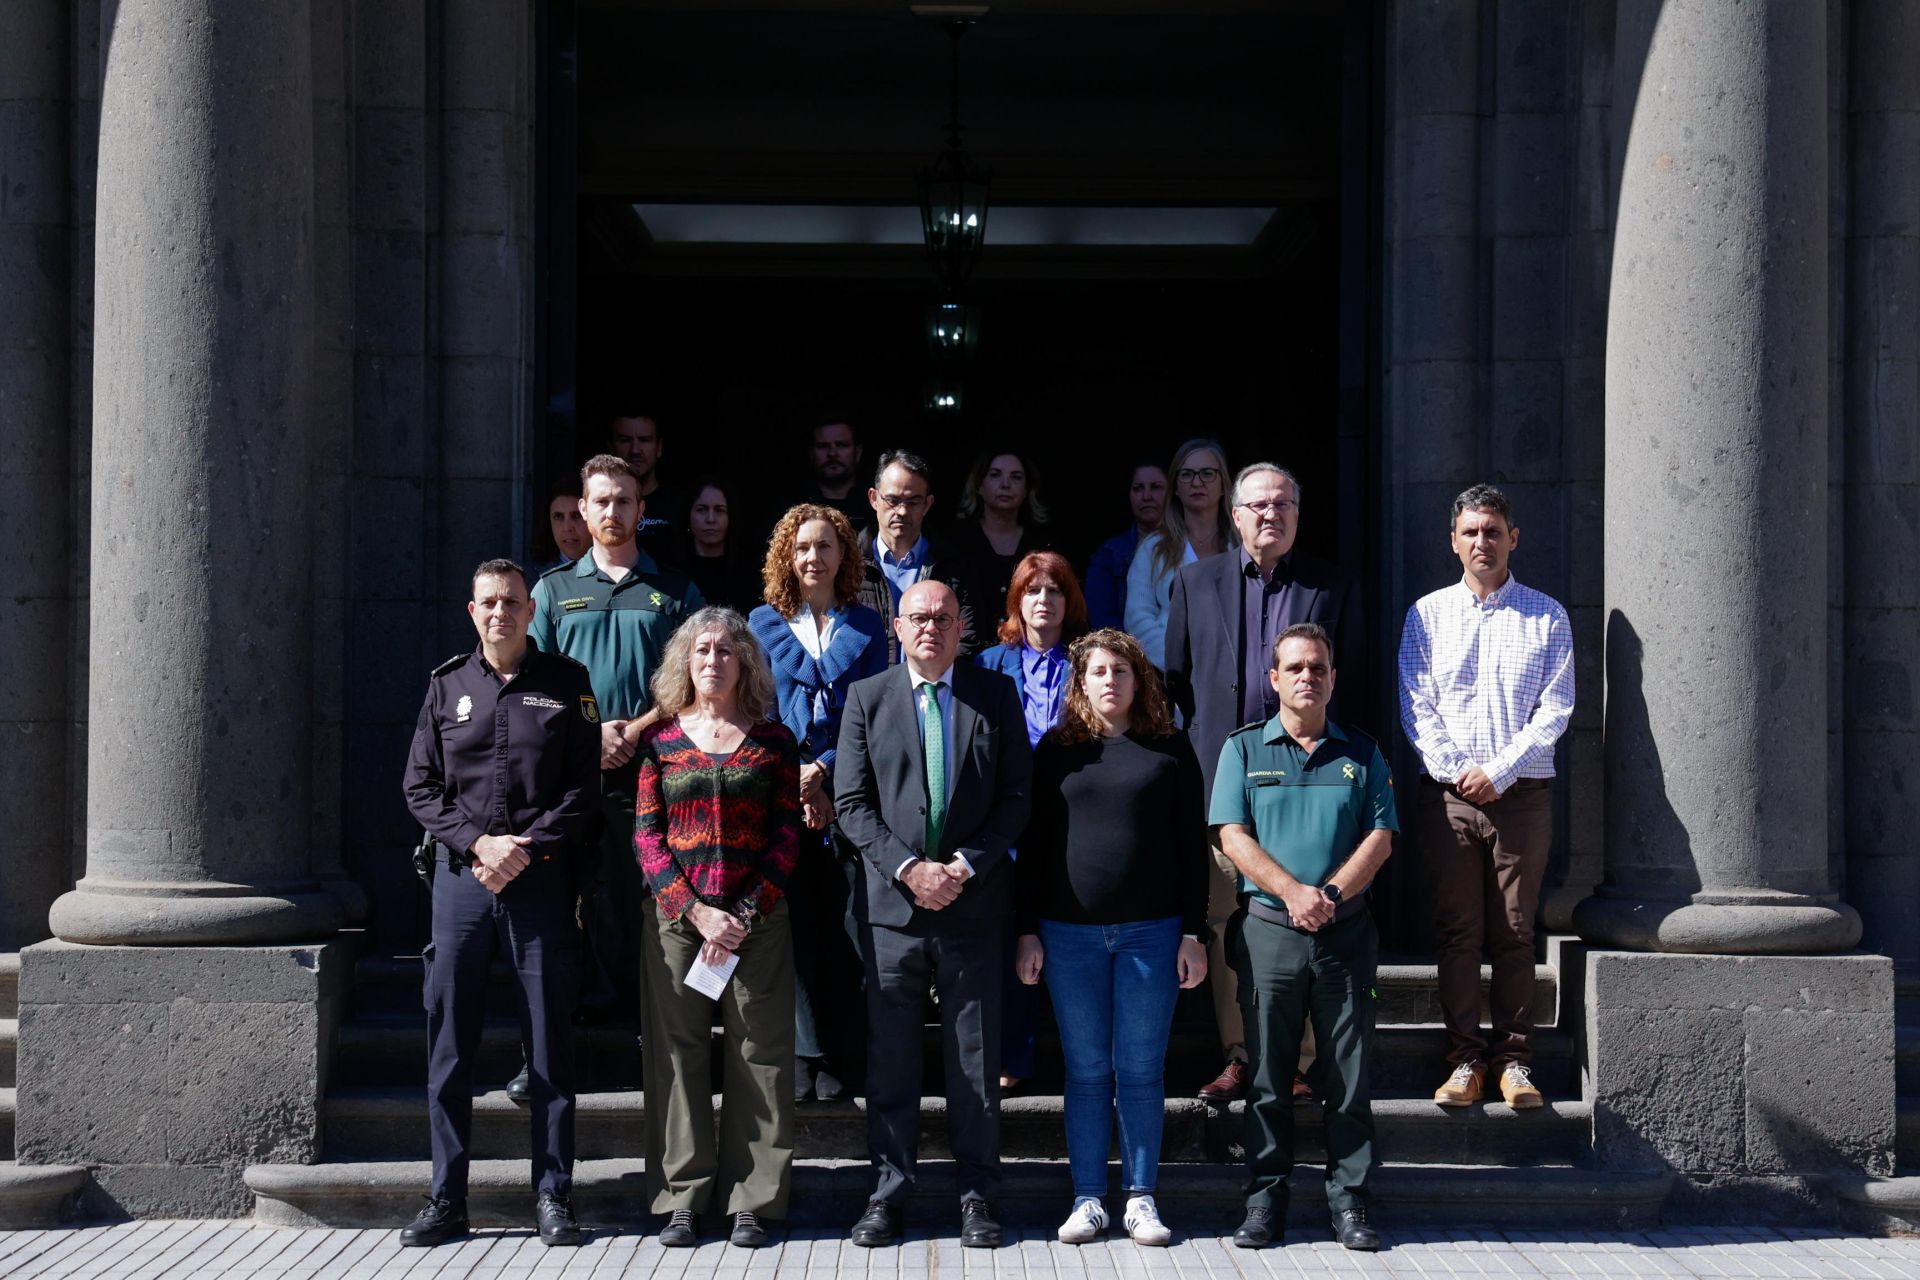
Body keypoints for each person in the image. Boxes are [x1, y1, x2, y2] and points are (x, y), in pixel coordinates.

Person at [400, 559, 600, 1249]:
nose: (500, 613)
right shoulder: (445, 685)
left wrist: (525, 847)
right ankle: (446, 1197)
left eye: (512, 602)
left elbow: (583, 792)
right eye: (489, 602)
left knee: (549, 1043)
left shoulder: (567, 685)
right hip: (461, 885)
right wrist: (479, 845)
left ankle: (553, 1196)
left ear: (530, 610)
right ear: (472, 610)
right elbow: (421, 788)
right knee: (451, 1042)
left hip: (540, 883)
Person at [833, 579, 1032, 1249]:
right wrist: (909, 869)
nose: (930, 628)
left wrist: (963, 866)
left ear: (960, 626)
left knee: (973, 1061)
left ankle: (978, 1196)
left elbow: (1016, 798)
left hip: (972, 905)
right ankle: (888, 1195)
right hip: (893, 909)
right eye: (918, 616)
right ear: (897, 628)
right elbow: (852, 803)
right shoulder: (866, 698)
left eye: (943, 617)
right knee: (891, 1060)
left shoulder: (994, 696)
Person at [1164, 462, 1365, 1105]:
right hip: (1224, 780)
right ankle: (1240, 1055)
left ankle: (1300, 1064)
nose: (1269, 514)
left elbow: (1350, 678)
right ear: (1235, 514)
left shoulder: (1330, 585)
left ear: (1297, 516)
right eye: (1257, 505)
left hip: (1307, 781)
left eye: (1282, 503)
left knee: (1301, 912)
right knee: (1230, 922)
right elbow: (1175, 680)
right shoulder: (1196, 582)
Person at [1013, 629, 1208, 1248]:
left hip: (1153, 934)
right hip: (1067, 936)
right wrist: (1026, 931)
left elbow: (1191, 851)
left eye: (1121, 671)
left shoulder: (1170, 750)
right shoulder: (1055, 752)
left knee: (1142, 1068)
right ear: (1081, 682)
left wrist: (1195, 932)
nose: (1110, 682)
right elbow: (1035, 851)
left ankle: (1142, 1198)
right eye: (1098, 671)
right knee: (1088, 1069)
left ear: (1138, 680)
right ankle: (1089, 1198)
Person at [1213, 623, 1396, 1252]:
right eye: (1294, 668)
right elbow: (1232, 836)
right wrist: (1293, 894)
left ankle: (1351, 1202)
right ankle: (1265, 1200)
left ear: (1333, 677)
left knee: (1348, 1076)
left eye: (1317, 667)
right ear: (1274, 679)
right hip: (1270, 936)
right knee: (1267, 1074)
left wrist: (1331, 896)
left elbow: (1381, 837)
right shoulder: (1242, 750)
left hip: (1344, 935)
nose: (1307, 678)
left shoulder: (1364, 753)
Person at [1397, 484, 1573, 1111]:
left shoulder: (1547, 615)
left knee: (1516, 933)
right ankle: (1465, 1059)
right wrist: (1459, 771)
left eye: (1493, 530)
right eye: (1470, 531)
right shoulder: (1426, 614)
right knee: (1458, 933)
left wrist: (1497, 771)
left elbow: (1555, 709)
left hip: (1521, 796)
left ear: (1513, 538)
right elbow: (1416, 707)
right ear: (1454, 541)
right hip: (1449, 798)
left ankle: (1516, 1063)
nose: (1482, 542)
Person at [634, 607, 803, 1250]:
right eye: (701, 651)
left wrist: (743, 913)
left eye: (726, 651)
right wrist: (694, 908)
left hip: (756, 923)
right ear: (685, 661)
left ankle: (751, 1200)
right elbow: (648, 837)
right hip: (679, 925)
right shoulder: (661, 741)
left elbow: (788, 834)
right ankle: (683, 1197)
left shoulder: (774, 740)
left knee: (759, 1055)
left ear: (746, 664)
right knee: (676, 1058)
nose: (713, 660)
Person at [532, 454, 702, 1029]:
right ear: (582, 509)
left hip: (653, 771)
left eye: (623, 500)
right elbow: (527, 683)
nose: (612, 510)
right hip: (569, 775)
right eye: (601, 500)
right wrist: (590, 733)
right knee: (564, 897)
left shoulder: (674, 591)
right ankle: (571, 1018)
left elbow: (699, 681)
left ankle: (643, 1016)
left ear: (641, 508)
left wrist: (633, 727)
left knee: (644, 896)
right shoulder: (552, 592)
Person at [748, 504, 889, 1103]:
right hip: (780, 792)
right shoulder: (761, 625)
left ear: (843, 556)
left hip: (851, 792)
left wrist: (827, 774)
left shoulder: (868, 627)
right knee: (795, 929)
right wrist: (799, 776)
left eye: (825, 546)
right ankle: (804, 1054)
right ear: (787, 555)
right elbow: (755, 709)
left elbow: (876, 711)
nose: (813, 557)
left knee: (850, 929)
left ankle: (844, 1053)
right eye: (802, 547)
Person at [973, 551, 1089, 1090]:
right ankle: (1011, 1060)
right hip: (1007, 821)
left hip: (1074, 817)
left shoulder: (1088, 663)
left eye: (1055, 591)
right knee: (1010, 939)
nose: (1044, 601)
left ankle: (1079, 1061)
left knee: (1064, 940)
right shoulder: (989, 664)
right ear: (1018, 601)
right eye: (1033, 591)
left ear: (1070, 602)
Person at [855, 450, 980, 662]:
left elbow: (966, 637)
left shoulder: (954, 565)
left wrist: (927, 679)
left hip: (932, 690)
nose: (902, 511)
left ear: (927, 504)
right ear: (874, 499)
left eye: (913, 502)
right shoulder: (849, 564)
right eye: (893, 500)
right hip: (867, 692)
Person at [1125, 439, 1233, 670]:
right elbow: (1138, 618)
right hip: (1172, 680)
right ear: (1175, 487)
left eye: (1207, 473)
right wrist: (1178, 663)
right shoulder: (1153, 548)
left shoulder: (1241, 545)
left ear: (1223, 484)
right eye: (1186, 474)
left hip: (1233, 673)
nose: (1196, 482)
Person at [950, 449, 1051, 636]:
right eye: (995, 475)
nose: (1005, 484)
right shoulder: (957, 544)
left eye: (1016, 477)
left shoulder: (1043, 546)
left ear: (1027, 488)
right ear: (979, 485)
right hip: (971, 652)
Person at [1084, 462, 1169, 631]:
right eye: (1138, 488)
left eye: (1156, 487)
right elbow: (1102, 619)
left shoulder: (1192, 544)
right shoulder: (1108, 554)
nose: (1146, 496)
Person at [608, 408, 687, 566]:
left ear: (659, 447)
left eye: (644, 440)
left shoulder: (683, 505)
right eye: (625, 440)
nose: (635, 450)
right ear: (611, 447)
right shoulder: (598, 507)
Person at [777, 418, 872, 537]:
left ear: (857, 452)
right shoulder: (790, 508)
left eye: (841, 445)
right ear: (811, 454)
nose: (832, 453)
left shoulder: (876, 505)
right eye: (823, 446)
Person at [684, 475, 762, 613]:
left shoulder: (749, 574)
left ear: (730, 516)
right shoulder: (675, 571)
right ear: (688, 515)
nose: (710, 519)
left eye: (719, 510)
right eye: (702, 509)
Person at [535, 483, 590, 573]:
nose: (567, 527)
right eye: (558, 516)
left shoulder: (617, 573)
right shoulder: (530, 581)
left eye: (577, 515)